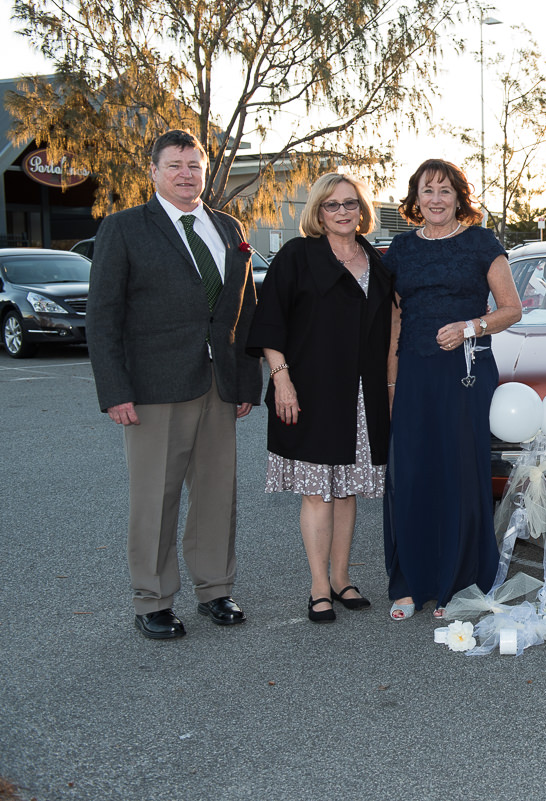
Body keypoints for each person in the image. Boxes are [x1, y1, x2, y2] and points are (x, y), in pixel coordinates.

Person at [87, 129, 262, 640]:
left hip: (218, 384)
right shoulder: (124, 229)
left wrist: (245, 381)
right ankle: (153, 599)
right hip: (153, 387)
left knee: (216, 494)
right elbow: (103, 317)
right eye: (175, 165)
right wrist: (115, 390)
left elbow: (243, 310)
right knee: (155, 497)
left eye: (194, 165)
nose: (186, 174)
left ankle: (215, 590)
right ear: (154, 171)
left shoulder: (228, 227)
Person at [246, 173, 393, 623]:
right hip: (309, 389)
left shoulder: (376, 261)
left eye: (350, 203)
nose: (343, 211)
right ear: (318, 211)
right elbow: (270, 321)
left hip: (362, 394)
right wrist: (281, 379)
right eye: (332, 205)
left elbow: (390, 329)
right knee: (317, 492)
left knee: (345, 491)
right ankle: (317, 587)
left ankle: (342, 578)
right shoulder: (297, 256)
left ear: (362, 209)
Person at [382, 159, 522, 621]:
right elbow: (394, 319)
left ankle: (458, 584)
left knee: (460, 474)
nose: (436, 199)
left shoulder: (481, 243)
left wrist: (471, 326)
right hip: (416, 374)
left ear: (459, 197)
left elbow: (511, 309)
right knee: (413, 472)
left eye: (445, 190)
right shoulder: (400, 249)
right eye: (428, 190)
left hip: (466, 372)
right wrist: (390, 380)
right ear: (415, 198)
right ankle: (410, 582)